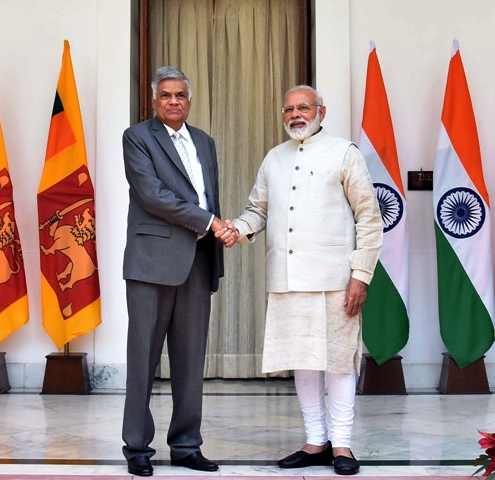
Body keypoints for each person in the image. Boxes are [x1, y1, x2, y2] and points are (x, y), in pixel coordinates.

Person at [218, 85, 383, 475]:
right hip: (287, 279)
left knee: (339, 362)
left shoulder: (344, 153)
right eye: (289, 109)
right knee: (304, 363)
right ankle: (315, 441)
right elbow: (258, 210)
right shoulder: (274, 158)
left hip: (335, 279)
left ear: (321, 112)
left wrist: (361, 276)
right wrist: (236, 229)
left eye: (303, 107)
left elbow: (369, 218)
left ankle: (342, 444)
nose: (295, 114)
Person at [121, 66, 228, 476]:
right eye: (165, 95)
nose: (173, 101)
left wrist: (215, 249)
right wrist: (211, 222)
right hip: (151, 263)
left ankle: (186, 445)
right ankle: (137, 446)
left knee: (191, 360)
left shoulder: (205, 141)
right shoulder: (137, 137)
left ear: (189, 100)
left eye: (180, 95)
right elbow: (152, 195)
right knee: (142, 360)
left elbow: (211, 197)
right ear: (154, 101)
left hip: (197, 262)